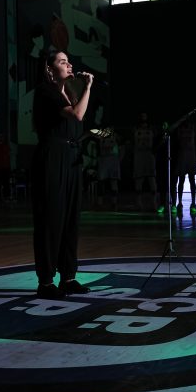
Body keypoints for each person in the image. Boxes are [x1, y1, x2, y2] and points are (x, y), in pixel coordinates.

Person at [31, 51, 94, 299]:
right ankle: (46, 282)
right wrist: (88, 86)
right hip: (52, 158)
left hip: (71, 158)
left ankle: (68, 277)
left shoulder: (69, 93)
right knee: (51, 219)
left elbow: (76, 124)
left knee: (70, 219)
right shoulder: (46, 92)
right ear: (49, 69)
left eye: (68, 61)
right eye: (62, 61)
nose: (69, 65)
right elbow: (77, 115)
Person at [133, 112, 157, 211]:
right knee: (139, 180)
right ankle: (139, 203)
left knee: (152, 179)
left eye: (145, 119)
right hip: (139, 157)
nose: (144, 122)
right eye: (142, 119)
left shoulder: (151, 131)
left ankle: (154, 202)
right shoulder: (136, 131)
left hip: (149, 156)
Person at [175, 116, 196, 215]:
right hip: (182, 157)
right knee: (181, 180)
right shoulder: (179, 129)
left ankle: (193, 203)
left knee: (192, 180)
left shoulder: (193, 128)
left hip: (191, 157)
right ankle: (180, 202)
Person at [96, 129, 121, 210]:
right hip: (104, 160)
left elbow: (121, 147)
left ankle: (114, 203)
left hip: (113, 160)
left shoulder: (114, 136)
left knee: (113, 182)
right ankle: (100, 203)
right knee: (101, 182)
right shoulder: (101, 136)